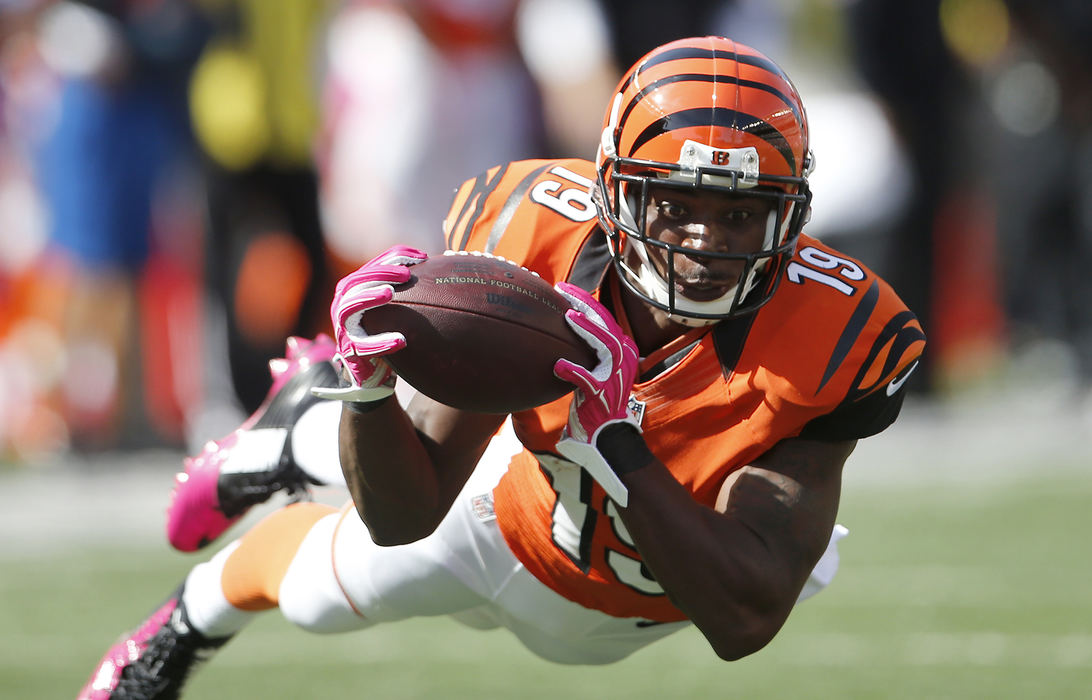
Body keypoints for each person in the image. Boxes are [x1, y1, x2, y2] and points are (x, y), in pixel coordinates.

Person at [77, 36, 925, 698]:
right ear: (614, 193)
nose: (704, 241)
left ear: (793, 213)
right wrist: (372, 396)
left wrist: (617, 444)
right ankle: (183, 621)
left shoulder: (840, 335)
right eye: (677, 204)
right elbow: (406, 512)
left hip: (655, 591)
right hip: (511, 522)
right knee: (311, 598)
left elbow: (744, 617)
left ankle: (288, 435)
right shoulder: (533, 232)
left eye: (740, 213)